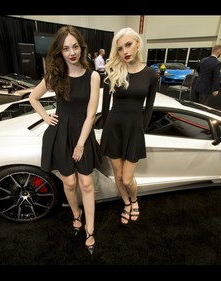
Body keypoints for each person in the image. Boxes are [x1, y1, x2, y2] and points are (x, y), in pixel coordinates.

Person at [29, 25, 100, 255]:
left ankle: (90, 229)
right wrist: (46, 117)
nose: (72, 52)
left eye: (75, 46)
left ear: (82, 47)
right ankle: (76, 214)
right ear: (60, 51)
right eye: (66, 48)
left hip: (83, 135)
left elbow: (91, 114)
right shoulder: (54, 75)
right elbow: (33, 97)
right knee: (69, 183)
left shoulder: (93, 76)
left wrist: (81, 143)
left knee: (86, 184)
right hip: (60, 134)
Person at [99, 27, 157, 225]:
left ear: (138, 43)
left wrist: (142, 129)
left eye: (129, 44)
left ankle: (134, 199)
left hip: (134, 130)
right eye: (121, 48)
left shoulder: (151, 75)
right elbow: (105, 107)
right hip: (113, 128)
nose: (125, 51)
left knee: (126, 178)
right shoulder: (113, 71)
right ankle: (126, 203)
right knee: (117, 175)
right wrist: (105, 130)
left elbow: (149, 107)